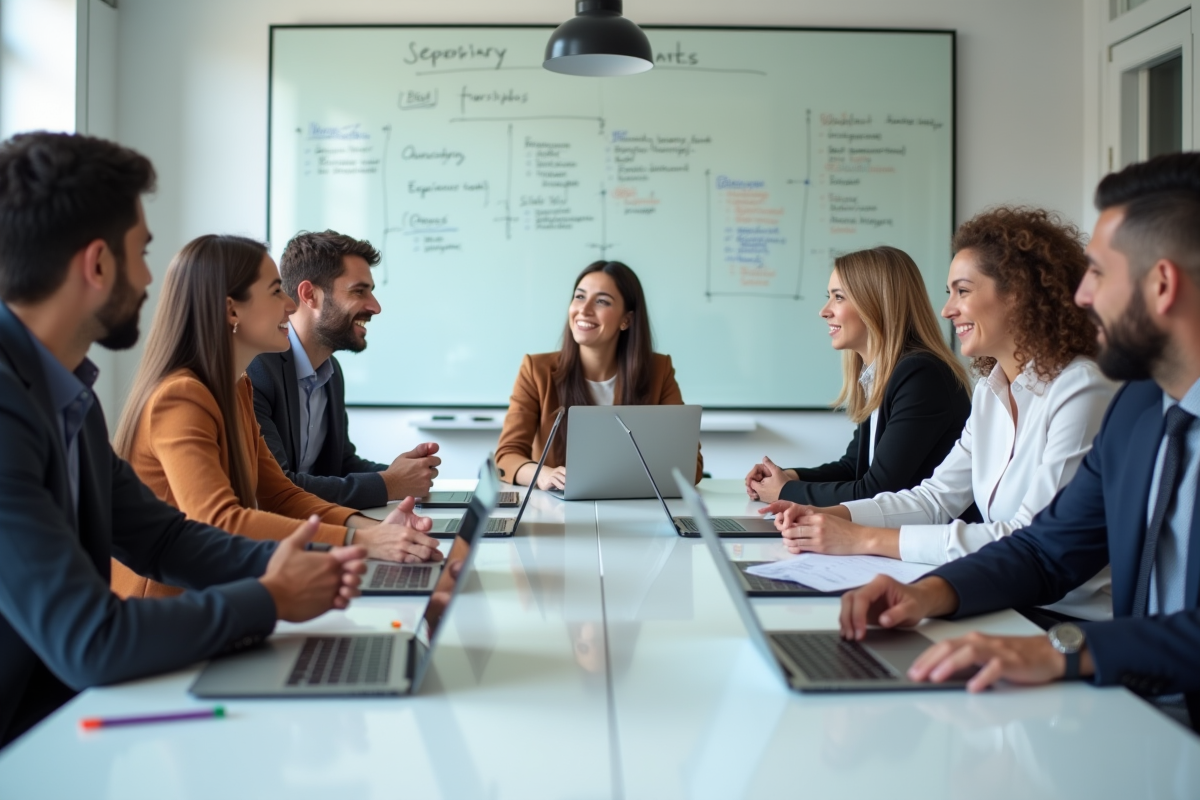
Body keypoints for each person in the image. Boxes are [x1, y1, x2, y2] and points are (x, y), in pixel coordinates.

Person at [0, 131, 367, 748]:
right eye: (141, 251)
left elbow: (162, 536)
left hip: (67, 723)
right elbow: (92, 640)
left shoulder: (67, 394)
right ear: (96, 264)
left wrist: (305, 565)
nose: (149, 276)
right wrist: (270, 597)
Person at [839, 152, 1200, 733]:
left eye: (1100, 274)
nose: (1082, 296)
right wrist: (931, 594)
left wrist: (1070, 650)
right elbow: (1048, 548)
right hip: (1134, 706)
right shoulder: (1140, 409)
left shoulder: (1096, 390)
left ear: (1161, 285)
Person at [762, 209, 1118, 620]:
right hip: (1000, 597)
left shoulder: (1080, 388)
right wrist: (828, 517)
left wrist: (863, 538)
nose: (947, 310)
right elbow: (934, 499)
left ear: (1018, 293)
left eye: (962, 291)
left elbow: (1027, 539)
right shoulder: (991, 391)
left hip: (1062, 617)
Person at [111, 234, 442, 600]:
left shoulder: (237, 388)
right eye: (275, 292)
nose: (289, 305)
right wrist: (362, 540)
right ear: (232, 310)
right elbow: (222, 521)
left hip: (220, 594)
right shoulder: (181, 397)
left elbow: (280, 495)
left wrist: (375, 528)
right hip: (169, 615)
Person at [745, 246, 973, 505]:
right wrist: (787, 477)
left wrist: (784, 492)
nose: (824, 311)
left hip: (927, 539)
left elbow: (876, 491)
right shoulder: (881, 373)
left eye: (838, 297)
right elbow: (854, 467)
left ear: (875, 304)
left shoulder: (921, 376)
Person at [247, 230, 441, 509]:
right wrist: (391, 483)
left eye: (371, 292)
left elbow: (339, 465)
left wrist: (404, 471)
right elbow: (278, 488)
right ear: (309, 294)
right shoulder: (257, 371)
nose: (375, 307)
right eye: (358, 291)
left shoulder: (330, 372)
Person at [495, 260, 703, 489]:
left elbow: (690, 466)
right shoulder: (536, 370)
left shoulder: (658, 370)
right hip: (557, 512)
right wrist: (543, 474)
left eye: (602, 301)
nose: (583, 310)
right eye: (580, 297)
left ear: (627, 320)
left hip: (635, 511)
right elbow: (507, 457)